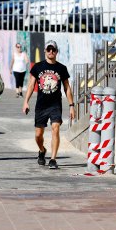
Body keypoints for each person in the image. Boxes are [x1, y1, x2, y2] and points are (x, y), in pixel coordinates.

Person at [22, 40, 75, 170]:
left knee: (55, 128)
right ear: (45, 51)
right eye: (49, 49)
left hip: (55, 105)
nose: (51, 51)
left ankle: (53, 159)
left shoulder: (61, 68)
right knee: (38, 135)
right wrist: (25, 102)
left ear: (56, 52)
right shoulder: (38, 67)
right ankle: (42, 150)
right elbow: (31, 85)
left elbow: (67, 88)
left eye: (54, 49)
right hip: (41, 105)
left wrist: (71, 105)